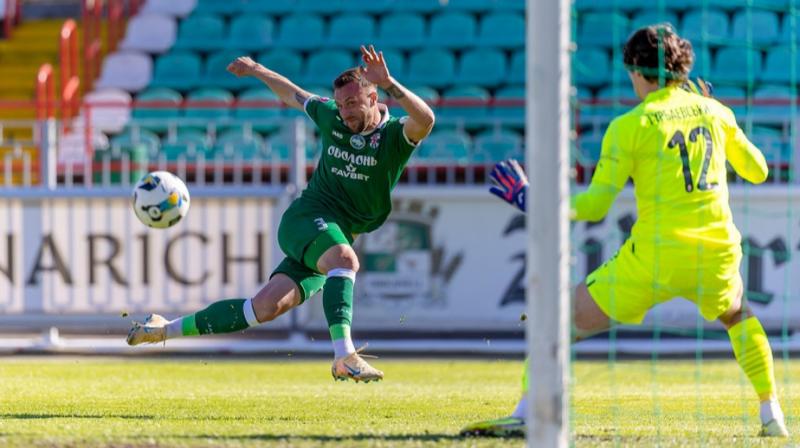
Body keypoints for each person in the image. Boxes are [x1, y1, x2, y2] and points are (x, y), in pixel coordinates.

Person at [462, 24, 789, 438]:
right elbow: (758, 172)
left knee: (555, 321)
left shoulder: (629, 125)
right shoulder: (716, 112)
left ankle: (528, 412)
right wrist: (722, 117)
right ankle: (770, 411)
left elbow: (595, 206)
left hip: (653, 257)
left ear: (636, 70)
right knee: (739, 316)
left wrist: (534, 202)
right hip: (717, 253)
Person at [126, 45, 435, 383]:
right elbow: (293, 95)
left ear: (374, 99)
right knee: (344, 261)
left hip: (336, 233)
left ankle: (162, 329)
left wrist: (390, 81)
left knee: (262, 309)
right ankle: (344, 356)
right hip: (307, 217)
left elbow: (426, 120)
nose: (344, 111)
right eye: (341, 103)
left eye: (352, 103)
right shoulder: (330, 116)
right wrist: (256, 69)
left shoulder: (394, 135)